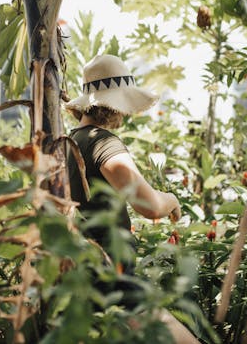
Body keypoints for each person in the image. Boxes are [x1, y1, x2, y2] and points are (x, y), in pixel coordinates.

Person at [66, 54, 199, 344]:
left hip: (83, 273)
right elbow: (149, 205)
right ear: (115, 104)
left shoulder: (70, 141)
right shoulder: (103, 141)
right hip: (111, 276)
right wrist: (172, 199)